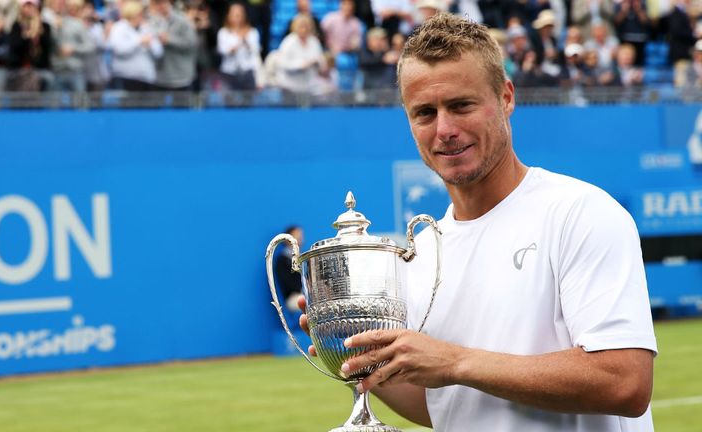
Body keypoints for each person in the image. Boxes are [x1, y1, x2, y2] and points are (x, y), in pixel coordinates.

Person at [299, 12, 656, 431]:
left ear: (506, 97)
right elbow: (447, 406)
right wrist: (356, 359)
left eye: (461, 105)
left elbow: (625, 381)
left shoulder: (580, 213)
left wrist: (455, 361)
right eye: (425, 113)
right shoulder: (423, 253)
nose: (445, 129)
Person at [148, 0, 198, 91]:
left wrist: (169, 40)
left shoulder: (183, 20)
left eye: (163, 2)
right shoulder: (151, 22)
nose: (161, 6)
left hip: (181, 76)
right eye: (157, 3)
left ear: (169, 3)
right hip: (159, 76)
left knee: (181, 104)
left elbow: (191, 43)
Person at [275, 225, 304, 313]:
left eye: (300, 235)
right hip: (294, 297)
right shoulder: (282, 260)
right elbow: (288, 283)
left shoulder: (302, 258)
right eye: (296, 235)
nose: (299, 238)